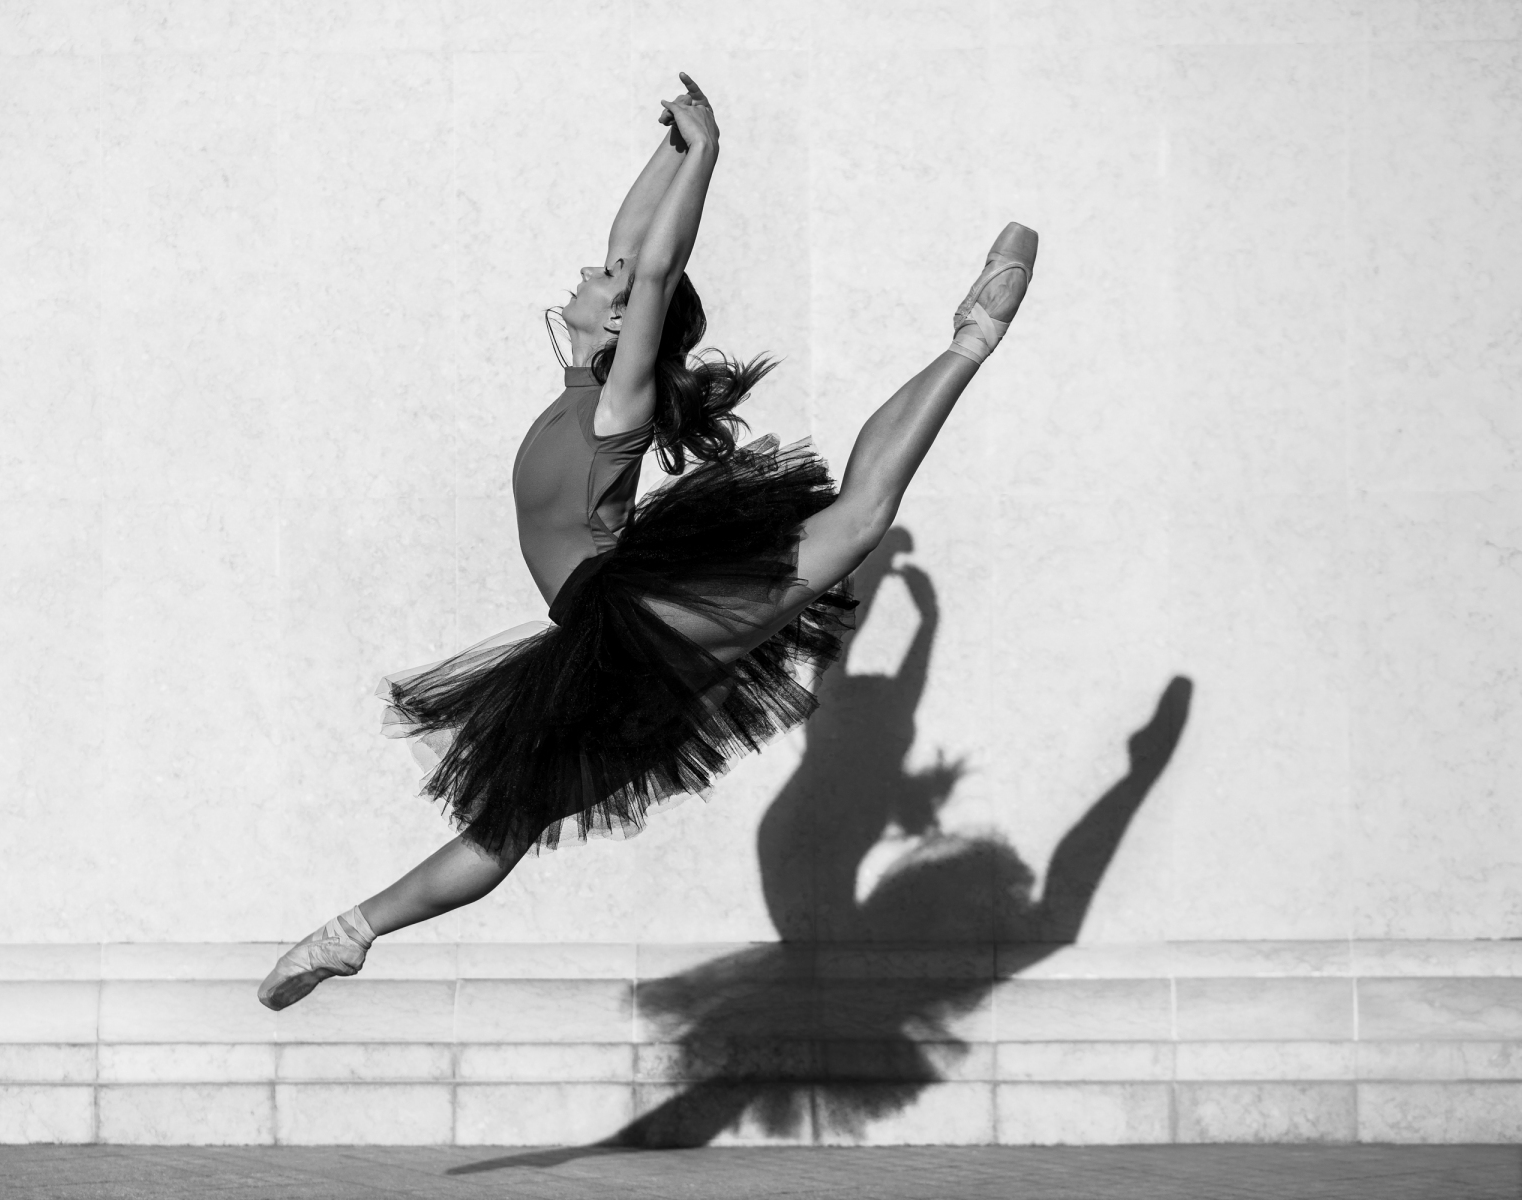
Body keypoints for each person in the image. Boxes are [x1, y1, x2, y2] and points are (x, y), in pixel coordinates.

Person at [258, 74, 1036, 1010]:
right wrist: (671, 145)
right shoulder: (582, 384)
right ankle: (348, 934)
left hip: (637, 615)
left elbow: (654, 271)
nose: (590, 274)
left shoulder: (615, 403)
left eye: (605, 283)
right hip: (597, 643)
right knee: (511, 820)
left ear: (625, 321)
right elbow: (633, 249)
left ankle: (972, 338)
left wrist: (707, 153)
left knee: (858, 518)